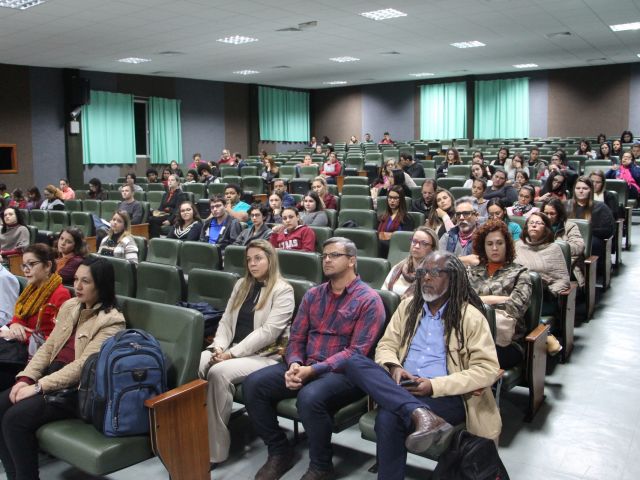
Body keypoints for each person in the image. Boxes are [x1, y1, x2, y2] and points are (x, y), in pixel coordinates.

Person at [342, 251, 501, 480]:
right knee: (354, 361)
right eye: (423, 272)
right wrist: (395, 367)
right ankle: (419, 413)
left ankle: (416, 415)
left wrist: (433, 386)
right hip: (402, 385)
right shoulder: (408, 307)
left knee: (388, 418)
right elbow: (386, 345)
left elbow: (486, 370)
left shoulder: (471, 317)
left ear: (453, 278)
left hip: (447, 395)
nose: (426, 277)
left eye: (435, 272)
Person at [243, 237, 385, 480]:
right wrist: (296, 363)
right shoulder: (313, 295)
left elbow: (356, 353)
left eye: (334, 255)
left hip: (345, 373)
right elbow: (296, 337)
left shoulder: (369, 300)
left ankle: (321, 466)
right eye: (324, 255)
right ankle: (279, 450)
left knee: (309, 398)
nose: (326, 260)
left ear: (352, 261)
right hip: (306, 365)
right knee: (253, 384)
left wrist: (313, 370)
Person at [0, 256, 125, 480]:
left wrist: (38, 387)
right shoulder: (70, 306)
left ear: (101, 284)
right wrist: (25, 379)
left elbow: (81, 367)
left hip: (76, 391)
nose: (77, 286)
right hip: (50, 378)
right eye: (76, 279)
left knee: (14, 420)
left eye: (85, 281)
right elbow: (48, 347)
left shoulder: (112, 321)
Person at [199, 240, 294, 465]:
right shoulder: (242, 284)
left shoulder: (283, 290)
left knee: (218, 372)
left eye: (258, 258)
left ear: (270, 260)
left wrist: (231, 354)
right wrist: (219, 347)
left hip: (266, 357)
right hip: (233, 350)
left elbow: (269, 332)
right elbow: (226, 322)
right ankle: (203, 429)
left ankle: (215, 450)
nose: (252, 264)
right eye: (249, 259)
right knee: (203, 359)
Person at [0, 244, 71, 391]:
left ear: (47, 265)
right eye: (24, 265)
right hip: (18, 348)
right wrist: (15, 325)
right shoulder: (31, 288)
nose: (26, 270)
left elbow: (55, 339)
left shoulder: (60, 294)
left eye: (31, 264)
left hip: (33, 357)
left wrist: (21, 334)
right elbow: (19, 315)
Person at [467, 220, 532, 369]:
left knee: (475, 358)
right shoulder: (472, 271)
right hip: (471, 336)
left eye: (499, 243)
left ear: (507, 245)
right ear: (483, 247)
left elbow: (514, 308)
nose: (494, 248)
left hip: (506, 342)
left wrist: (475, 301)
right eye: (489, 244)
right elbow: (458, 301)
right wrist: (493, 299)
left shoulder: (520, 273)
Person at [566, 176, 615, 262]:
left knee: (593, 243)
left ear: (590, 190)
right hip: (568, 238)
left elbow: (608, 230)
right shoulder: (566, 205)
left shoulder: (601, 207)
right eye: (578, 188)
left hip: (591, 240)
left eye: (585, 188)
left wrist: (586, 231)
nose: (581, 191)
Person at [382, 227, 438, 297]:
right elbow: (384, 294)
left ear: (432, 248)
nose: (417, 246)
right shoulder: (398, 267)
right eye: (414, 241)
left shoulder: (434, 274)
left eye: (424, 243)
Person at [542, 198, 586, 287]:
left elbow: (579, 246)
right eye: (546, 213)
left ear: (559, 214)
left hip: (564, 265)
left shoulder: (570, 226)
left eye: (552, 213)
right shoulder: (538, 225)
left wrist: (556, 248)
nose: (548, 217)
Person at [378, 186, 415, 257]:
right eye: (390, 197)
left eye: (395, 198)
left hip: (396, 250)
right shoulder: (382, 217)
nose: (392, 201)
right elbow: (377, 235)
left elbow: (404, 239)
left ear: (401, 200)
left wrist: (385, 235)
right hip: (381, 249)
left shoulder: (407, 219)